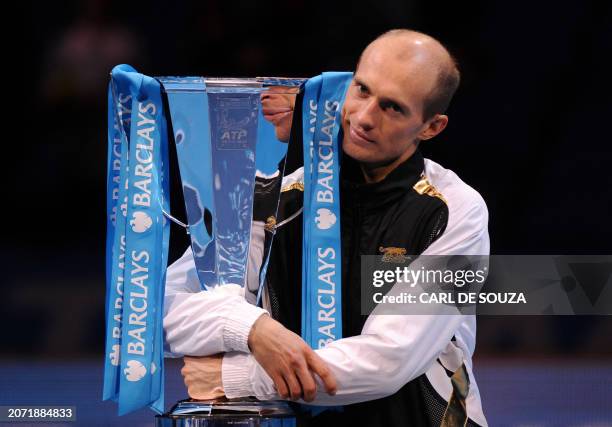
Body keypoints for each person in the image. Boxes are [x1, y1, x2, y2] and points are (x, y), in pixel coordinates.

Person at [165, 29, 489, 426]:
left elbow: (388, 360)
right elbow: (167, 309)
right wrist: (251, 329)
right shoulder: (278, 198)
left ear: (431, 127)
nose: (366, 118)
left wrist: (235, 375)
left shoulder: (455, 210)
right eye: (362, 90)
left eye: (393, 108)